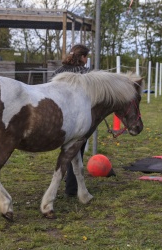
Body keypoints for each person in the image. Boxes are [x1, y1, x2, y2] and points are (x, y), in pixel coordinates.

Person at [52, 44, 91, 197]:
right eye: (86, 57)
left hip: (58, 117)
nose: (87, 60)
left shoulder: (58, 71)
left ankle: (69, 183)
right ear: (82, 57)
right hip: (76, 117)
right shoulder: (85, 74)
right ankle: (72, 187)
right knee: (76, 151)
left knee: (69, 151)